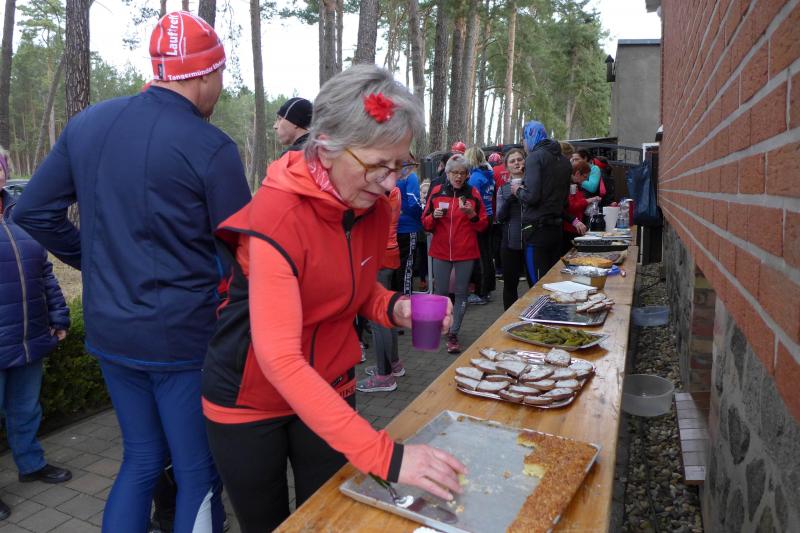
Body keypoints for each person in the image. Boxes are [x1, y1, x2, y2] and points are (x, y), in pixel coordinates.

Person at [201, 65, 466, 532]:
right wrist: (387, 457)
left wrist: (394, 308)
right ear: (325, 147)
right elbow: (280, 358)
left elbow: (351, 290)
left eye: (400, 165)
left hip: (330, 384)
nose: (390, 183)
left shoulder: (372, 206)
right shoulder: (276, 216)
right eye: (377, 165)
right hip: (249, 399)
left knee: (329, 520)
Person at [14, 12, 251, 533]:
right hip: (182, 338)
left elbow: (32, 211)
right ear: (206, 73)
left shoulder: (88, 124)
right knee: (196, 470)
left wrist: (95, 260)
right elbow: (247, 254)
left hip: (110, 330)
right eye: (221, 75)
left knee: (141, 459)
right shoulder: (211, 146)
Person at [0, 150, 72, 522]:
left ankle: (31, 464)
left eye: (0, 166)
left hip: (28, 335)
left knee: (26, 409)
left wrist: (58, 316)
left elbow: (45, 272)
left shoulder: (20, 215)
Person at [423, 154, 488, 353]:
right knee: (440, 293)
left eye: (462, 173)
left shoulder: (473, 193)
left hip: (465, 251)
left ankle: (453, 333)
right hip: (441, 250)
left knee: (461, 293)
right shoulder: (437, 191)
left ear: (467, 175)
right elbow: (425, 223)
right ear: (448, 173)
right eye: (454, 173)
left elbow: (483, 225)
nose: (458, 177)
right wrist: (433, 217)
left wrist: (472, 215)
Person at [511, 121, 571, 284]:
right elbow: (564, 201)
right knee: (553, 282)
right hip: (556, 231)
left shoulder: (535, 157)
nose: (523, 144)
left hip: (537, 231)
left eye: (523, 139)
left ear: (530, 137)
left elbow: (532, 196)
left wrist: (517, 190)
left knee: (537, 284)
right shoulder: (564, 160)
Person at [357, 187, 404, 393]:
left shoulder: (378, 191)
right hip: (389, 253)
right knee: (388, 312)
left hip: (378, 256)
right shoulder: (392, 189)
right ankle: (394, 364)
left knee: (378, 318)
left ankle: (384, 375)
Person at [495, 147, 532, 309]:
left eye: (519, 159)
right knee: (510, 286)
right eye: (512, 161)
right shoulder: (503, 189)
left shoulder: (534, 185)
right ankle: (508, 318)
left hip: (532, 242)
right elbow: (499, 217)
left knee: (536, 284)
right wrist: (511, 198)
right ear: (507, 166)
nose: (516, 163)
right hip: (511, 242)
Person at [465, 147, 495, 305]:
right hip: (489, 215)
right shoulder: (488, 174)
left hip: (480, 217)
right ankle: (487, 290)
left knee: (481, 255)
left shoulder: (475, 178)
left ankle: (481, 293)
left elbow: (472, 201)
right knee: (486, 254)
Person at [393, 171, 423, 294]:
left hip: (391, 228)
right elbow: (414, 202)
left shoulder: (389, 174)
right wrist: (421, 215)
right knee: (406, 267)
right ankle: (405, 298)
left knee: (394, 267)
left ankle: (394, 300)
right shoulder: (410, 175)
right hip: (408, 227)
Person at [561, 160, 591, 255]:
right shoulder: (568, 185)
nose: (585, 180)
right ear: (577, 173)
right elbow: (571, 207)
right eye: (585, 177)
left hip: (575, 227)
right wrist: (588, 201)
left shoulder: (577, 185)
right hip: (569, 228)